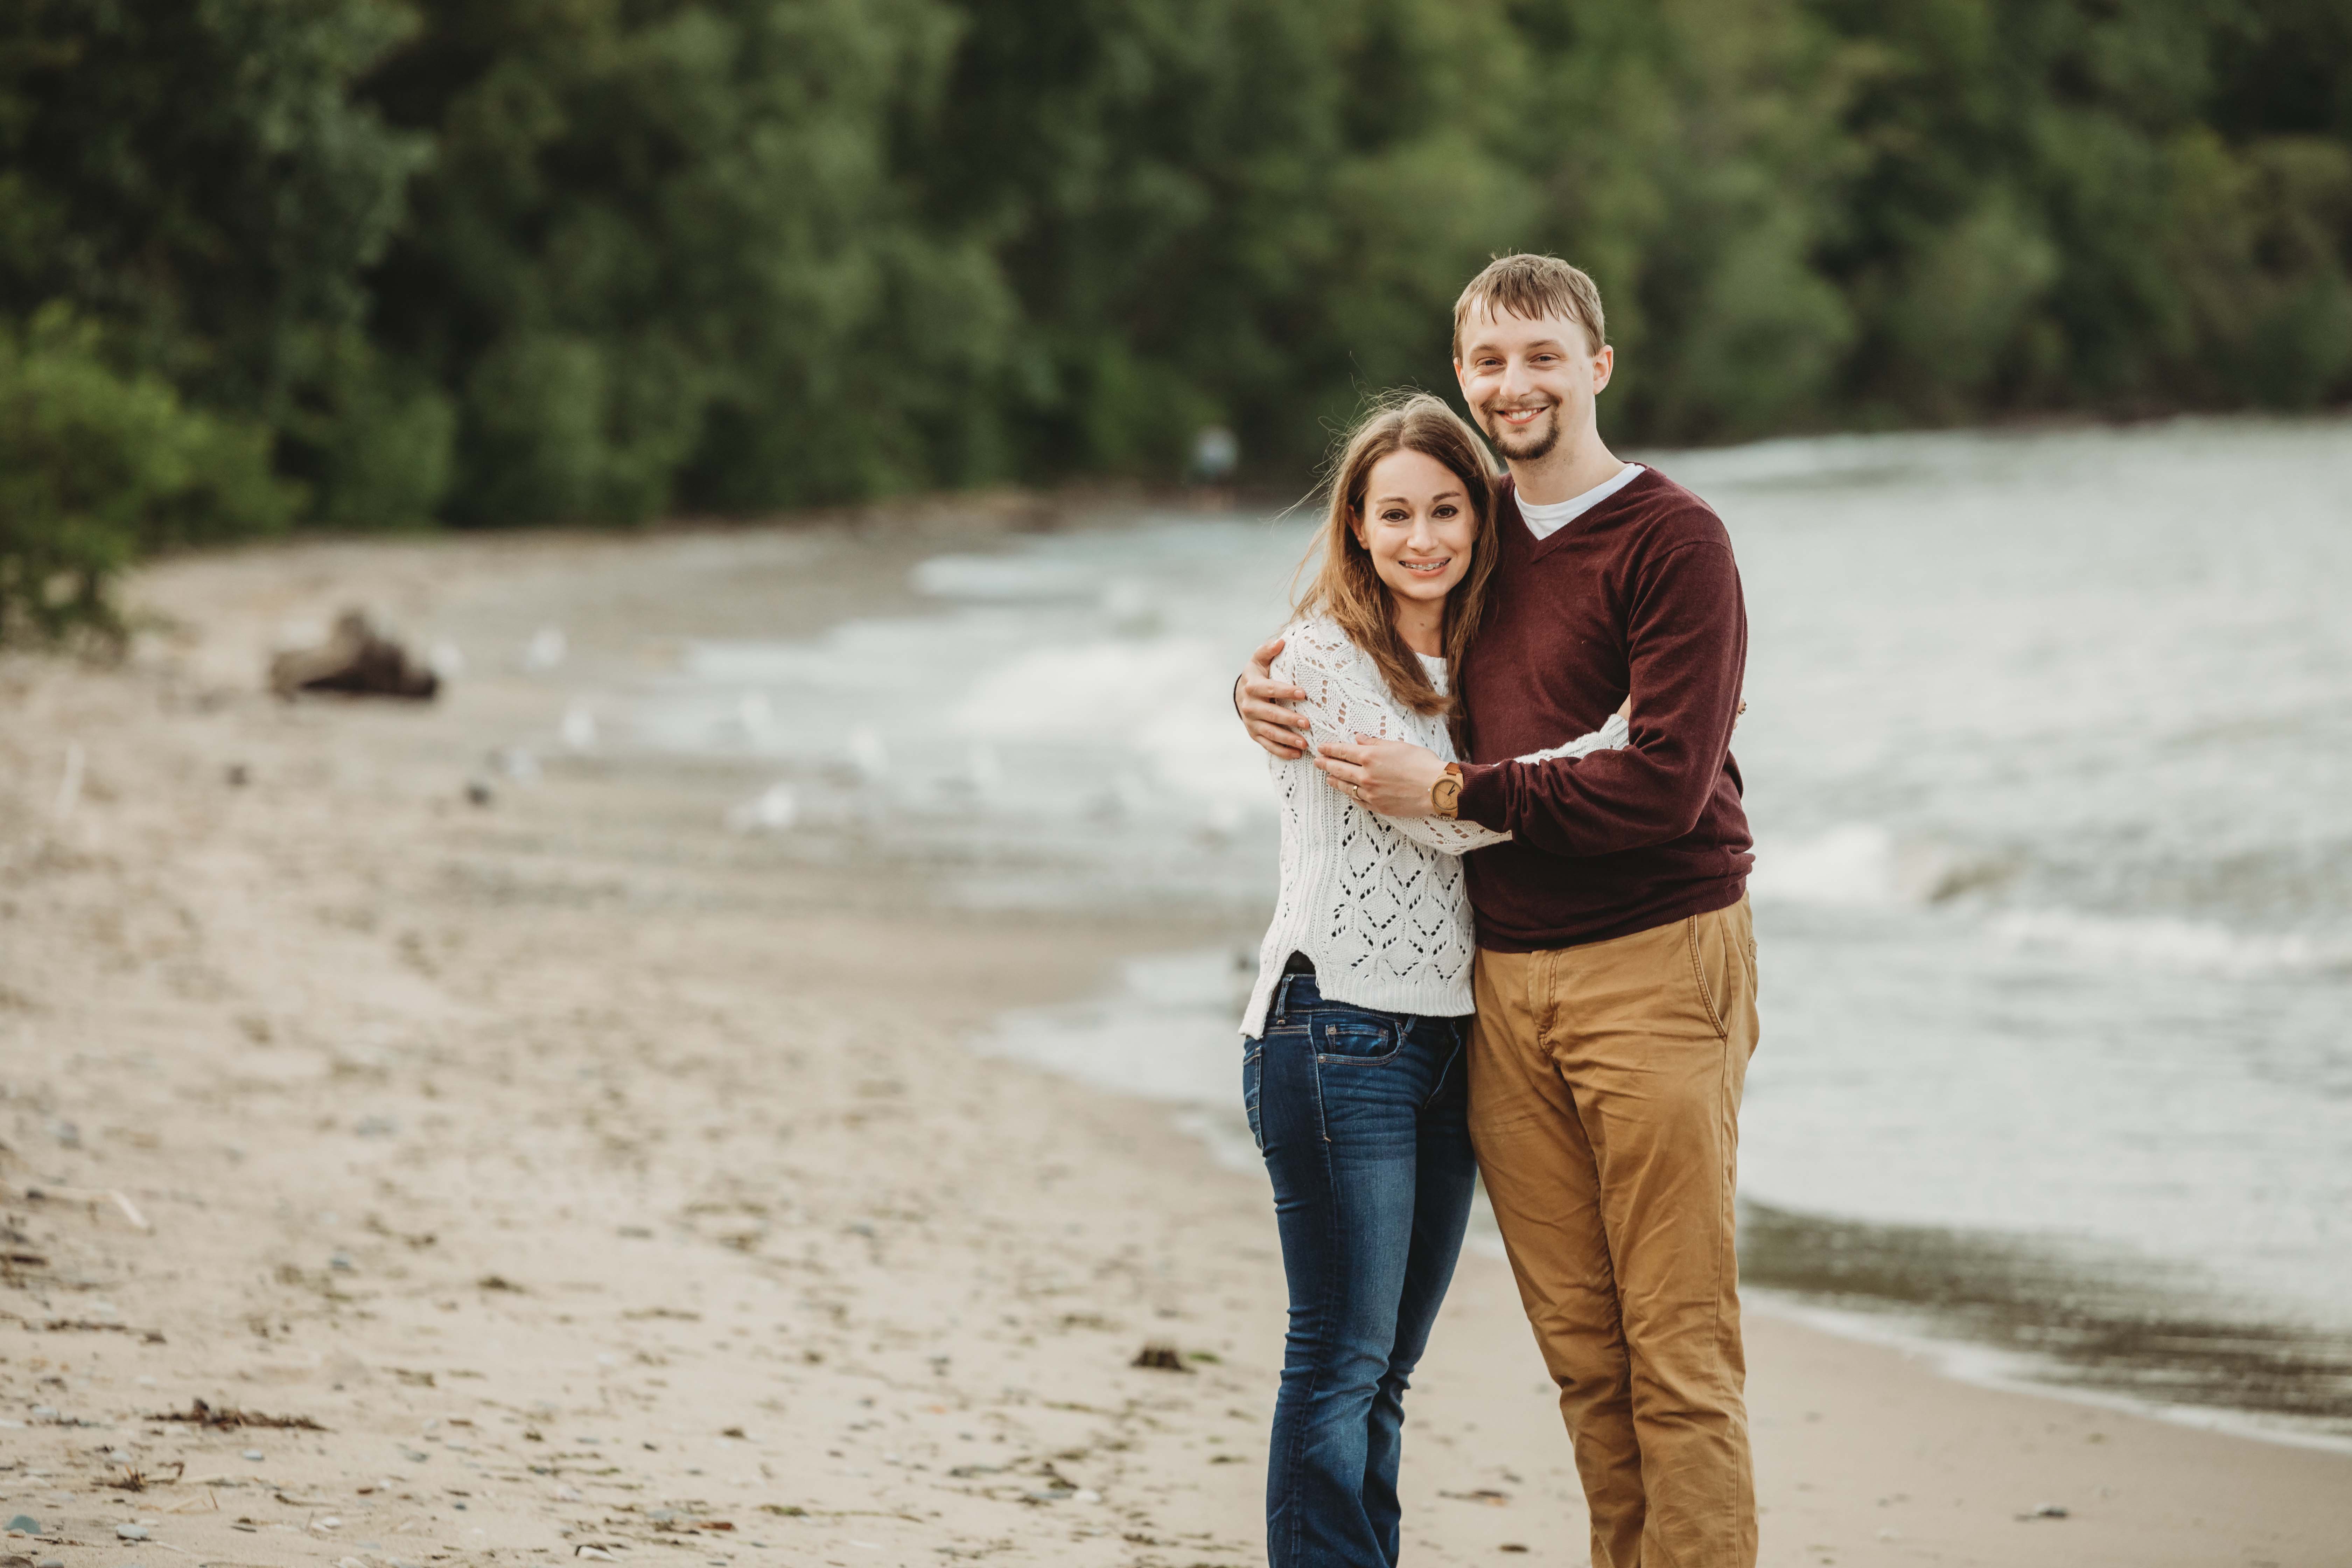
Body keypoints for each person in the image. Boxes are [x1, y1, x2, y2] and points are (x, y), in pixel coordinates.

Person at [1234, 254, 1760, 1568]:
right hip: (1500, 987)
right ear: (1463, 377)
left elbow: (1664, 784)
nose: (1513, 385)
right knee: (1586, 1358)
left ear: (1598, 365)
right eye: (1488, 362)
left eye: (1542, 357)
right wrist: (1250, 698)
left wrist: (1457, 785)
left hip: (1655, 959)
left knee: (1676, 1353)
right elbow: (1358, 657)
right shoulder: (1473, 541)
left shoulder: (1674, 538)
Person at [1239, 392, 1626, 1568]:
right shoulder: (1315, 657)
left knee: (1388, 1374)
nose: (1423, 538)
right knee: (1340, 1358)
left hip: (1452, 1039)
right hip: (1333, 1031)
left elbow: (1472, 784)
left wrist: (1608, 740)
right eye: (1394, 513)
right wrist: (1625, 744)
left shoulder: (1481, 660)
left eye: (1448, 510)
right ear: (1355, 525)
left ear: (1481, 517)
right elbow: (1450, 822)